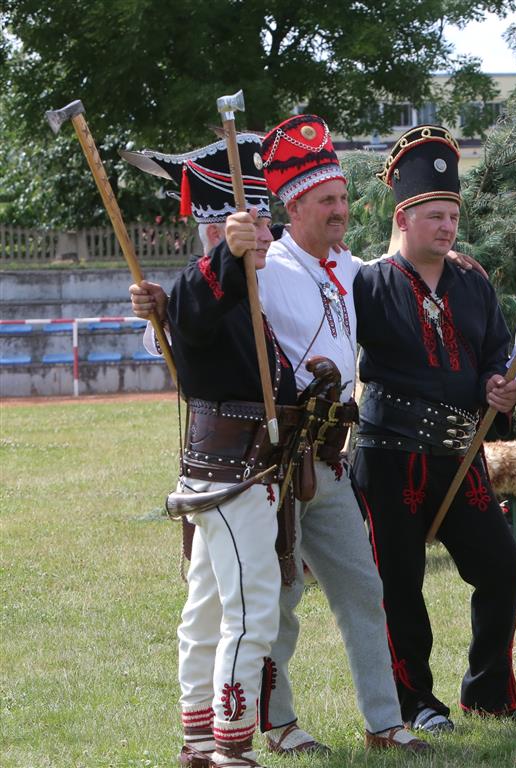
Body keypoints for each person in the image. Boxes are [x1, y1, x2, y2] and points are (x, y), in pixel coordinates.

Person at [127, 123, 429, 756]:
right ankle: (260, 731)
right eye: (327, 201)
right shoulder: (251, 270)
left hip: (326, 456)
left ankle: (382, 723)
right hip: (267, 465)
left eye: (343, 199)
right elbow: (191, 315)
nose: (340, 211)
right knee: (262, 605)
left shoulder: (343, 268)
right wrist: (163, 308)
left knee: (354, 590)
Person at [351, 124, 516, 732]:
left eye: (452, 216)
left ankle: (489, 693)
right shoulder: (369, 282)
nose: (446, 227)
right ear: (403, 218)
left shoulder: (471, 280)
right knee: (399, 584)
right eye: (434, 216)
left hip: (461, 456)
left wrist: (497, 384)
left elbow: (494, 352)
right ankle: (414, 703)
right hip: (390, 455)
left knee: (502, 569)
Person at [126, 136, 294, 768]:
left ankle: (199, 741)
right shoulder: (206, 287)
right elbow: (198, 305)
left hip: (232, 475)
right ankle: (230, 746)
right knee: (251, 612)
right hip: (233, 479)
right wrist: (229, 253)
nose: (270, 236)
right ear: (224, 232)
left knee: (207, 610)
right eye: (258, 227)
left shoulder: (242, 288)